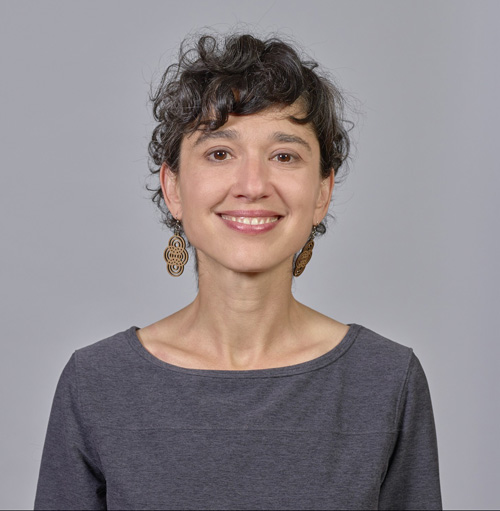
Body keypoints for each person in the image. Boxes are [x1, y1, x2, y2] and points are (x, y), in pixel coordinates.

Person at [34, 33, 442, 510]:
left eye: (284, 156)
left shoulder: (388, 380)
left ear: (322, 192)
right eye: (219, 153)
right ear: (174, 188)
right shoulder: (97, 382)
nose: (253, 185)